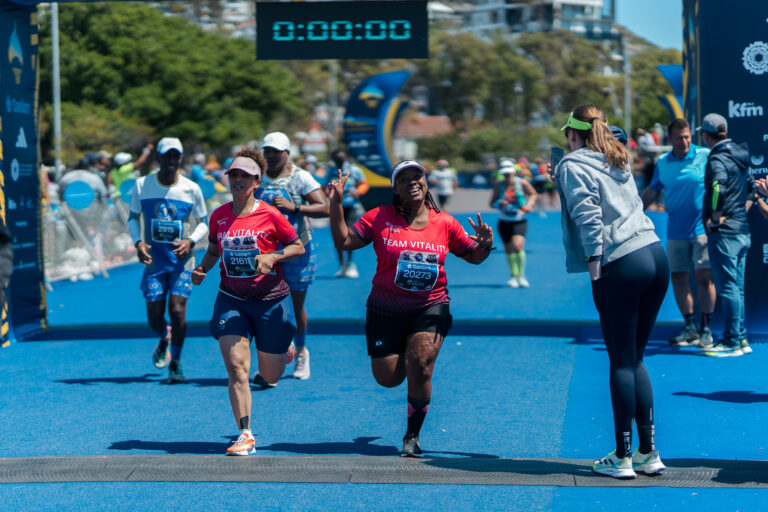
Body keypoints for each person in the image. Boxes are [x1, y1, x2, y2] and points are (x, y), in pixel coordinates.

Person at [328, 160, 494, 457]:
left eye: (417, 176)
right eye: (404, 179)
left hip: (430, 305)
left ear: (426, 182)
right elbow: (343, 241)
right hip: (384, 308)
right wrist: (336, 204)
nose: (412, 182)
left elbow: (474, 257)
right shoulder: (379, 217)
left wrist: (483, 245)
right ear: (395, 188)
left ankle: (412, 436)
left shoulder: (444, 222)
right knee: (387, 377)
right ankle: (407, 351)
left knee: (420, 362)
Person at [555, 105, 669, 479]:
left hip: (622, 262)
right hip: (654, 252)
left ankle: (621, 457)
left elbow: (589, 220)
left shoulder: (572, 165)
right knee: (635, 359)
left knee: (621, 361)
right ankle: (647, 452)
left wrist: (595, 273)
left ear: (573, 134)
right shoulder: (616, 155)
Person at [191, 148, 304, 456]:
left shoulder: (270, 214)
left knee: (270, 376)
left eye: (244, 176)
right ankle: (245, 433)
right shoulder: (219, 215)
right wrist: (202, 268)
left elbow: (297, 246)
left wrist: (273, 255)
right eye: (233, 176)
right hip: (232, 300)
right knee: (238, 368)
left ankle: (284, 348)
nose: (237, 181)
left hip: (271, 301)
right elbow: (215, 250)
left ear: (257, 182)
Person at [128, 137, 208, 383]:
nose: (171, 161)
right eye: (167, 156)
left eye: (176, 156)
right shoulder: (142, 185)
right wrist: (138, 243)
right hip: (154, 262)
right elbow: (133, 218)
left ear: (180, 159)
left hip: (181, 262)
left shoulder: (191, 188)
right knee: (154, 316)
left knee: (177, 310)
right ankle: (165, 336)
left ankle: (176, 362)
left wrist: (190, 241)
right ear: (158, 159)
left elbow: (203, 222)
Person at [255, 131, 329, 382]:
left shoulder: (300, 177)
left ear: (287, 153)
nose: (271, 156)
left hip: (297, 250)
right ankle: (270, 363)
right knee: (268, 306)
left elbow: (324, 208)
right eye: (268, 151)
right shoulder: (257, 177)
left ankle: (301, 352)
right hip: (267, 252)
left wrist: (294, 207)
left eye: (276, 151)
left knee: (295, 307)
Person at [641, 118, 716, 349]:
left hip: (702, 229)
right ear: (670, 139)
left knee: (704, 278)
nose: (684, 141)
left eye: (687, 137)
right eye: (679, 137)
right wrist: (633, 213)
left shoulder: (705, 155)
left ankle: (707, 329)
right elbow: (652, 191)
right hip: (676, 231)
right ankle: (690, 327)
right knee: (678, 278)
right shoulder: (663, 162)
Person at [698, 113, 755, 357]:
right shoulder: (741, 155)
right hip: (741, 230)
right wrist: (737, 215)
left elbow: (718, 186)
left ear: (707, 136)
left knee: (729, 288)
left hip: (725, 235)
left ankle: (732, 341)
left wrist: (715, 217)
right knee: (737, 288)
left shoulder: (718, 158)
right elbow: (751, 191)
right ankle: (740, 339)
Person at [491, 159, 537, 288]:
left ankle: (521, 275)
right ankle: (513, 275)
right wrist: (499, 203)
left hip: (519, 221)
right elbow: (491, 203)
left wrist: (530, 205)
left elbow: (533, 193)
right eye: (505, 174)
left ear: (514, 172)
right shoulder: (498, 185)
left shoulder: (522, 183)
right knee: (508, 249)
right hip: (504, 221)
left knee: (518, 246)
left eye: (509, 173)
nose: (507, 176)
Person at [326, 149, 369, 278]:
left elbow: (363, 184)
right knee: (337, 235)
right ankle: (342, 265)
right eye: (337, 160)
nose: (340, 162)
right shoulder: (331, 172)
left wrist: (358, 192)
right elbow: (323, 187)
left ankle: (350, 264)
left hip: (351, 206)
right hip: (336, 208)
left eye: (342, 159)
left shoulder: (354, 170)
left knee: (349, 235)